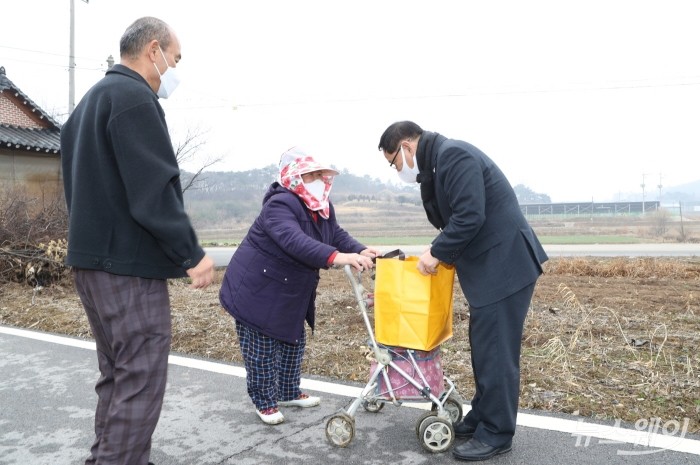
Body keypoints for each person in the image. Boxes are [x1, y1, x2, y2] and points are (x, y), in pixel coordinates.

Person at [60, 17, 215, 465]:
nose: (174, 70)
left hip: (91, 263)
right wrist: (191, 252)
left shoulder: (90, 103)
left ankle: (105, 458)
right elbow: (153, 189)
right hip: (127, 269)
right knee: (141, 378)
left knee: (117, 377)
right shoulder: (133, 98)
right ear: (154, 51)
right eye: (175, 58)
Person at [377, 121, 548, 461]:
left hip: (505, 267)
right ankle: (483, 416)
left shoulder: (453, 156)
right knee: (485, 346)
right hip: (493, 269)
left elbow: (470, 215)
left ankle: (497, 434)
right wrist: (438, 250)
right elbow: (457, 218)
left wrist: (437, 253)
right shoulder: (439, 161)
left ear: (407, 147)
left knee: (496, 352)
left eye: (394, 162)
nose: (398, 170)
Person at [219, 147, 380, 425]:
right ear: (294, 177)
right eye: (311, 175)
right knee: (262, 348)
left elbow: (336, 235)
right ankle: (264, 401)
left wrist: (361, 250)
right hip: (258, 290)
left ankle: (287, 390)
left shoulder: (321, 206)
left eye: (321, 174)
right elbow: (293, 240)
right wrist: (338, 258)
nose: (319, 179)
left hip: (289, 289)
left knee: (293, 340)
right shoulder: (280, 204)